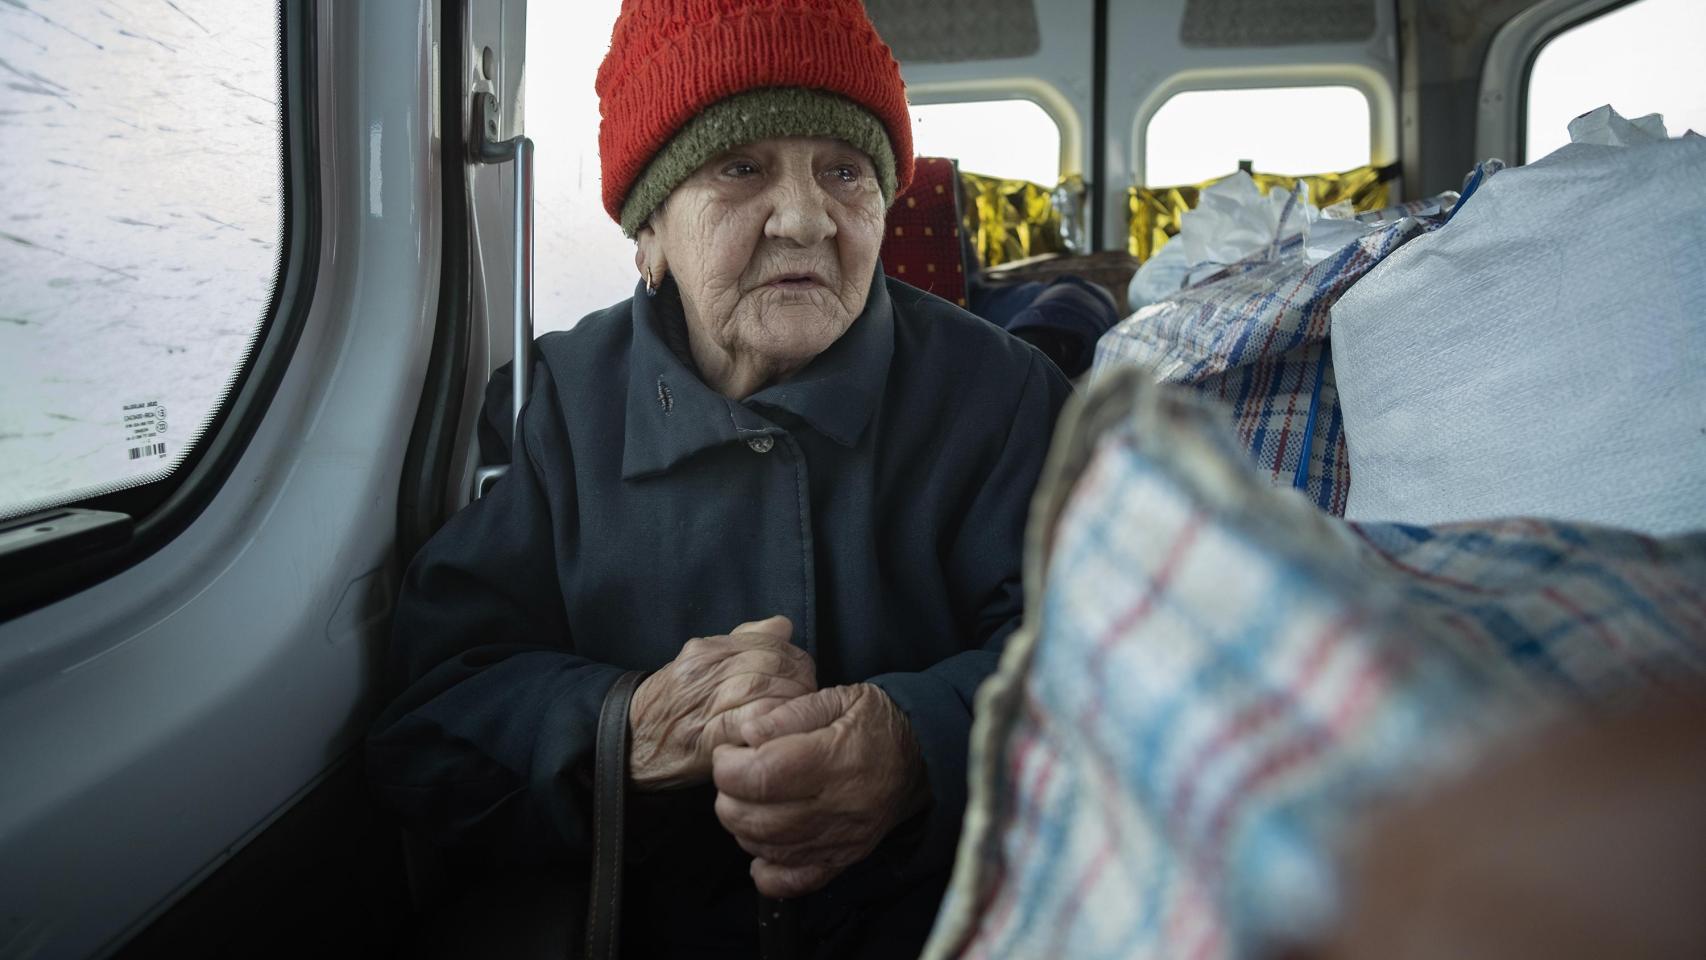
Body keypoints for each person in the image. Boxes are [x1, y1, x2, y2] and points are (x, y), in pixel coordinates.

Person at [366, 0, 1072, 956]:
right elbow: (433, 717)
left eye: (846, 171)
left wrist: (919, 746)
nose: (806, 218)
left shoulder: (1003, 394)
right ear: (649, 230)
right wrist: (626, 727)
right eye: (741, 167)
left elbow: (1110, 666)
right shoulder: (562, 404)